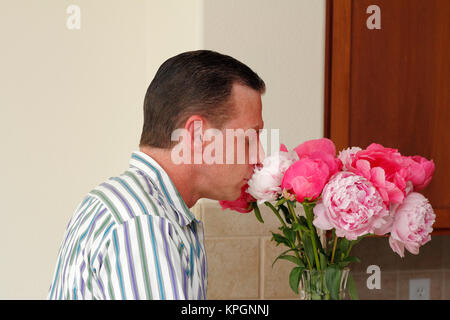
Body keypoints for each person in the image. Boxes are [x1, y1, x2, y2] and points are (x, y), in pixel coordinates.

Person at [47, 50, 266, 300]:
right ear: (197, 135)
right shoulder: (143, 224)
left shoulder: (124, 203)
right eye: (250, 138)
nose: (259, 156)